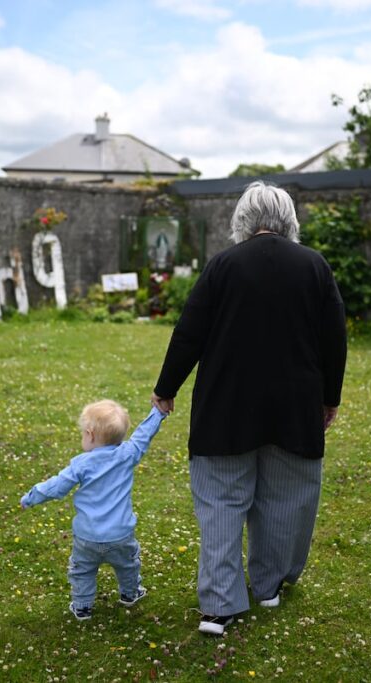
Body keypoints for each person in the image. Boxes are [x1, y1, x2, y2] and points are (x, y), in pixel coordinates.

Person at [152, 181, 347, 636]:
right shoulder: (315, 266)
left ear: (242, 220)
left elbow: (190, 332)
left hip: (225, 407)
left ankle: (219, 608)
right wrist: (330, 398)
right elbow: (333, 339)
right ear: (289, 220)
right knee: (286, 500)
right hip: (294, 407)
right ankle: (269, 586)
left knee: (220, 501)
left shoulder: (222, 265)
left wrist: (167, 387)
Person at [21, 400, 167, 621]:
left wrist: (31, 497)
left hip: (87, 537)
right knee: (128, 565)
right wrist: (158, 412)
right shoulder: (128, 453)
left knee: (82, 571)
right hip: (121, 534)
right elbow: (143, 434)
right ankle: (130, 593)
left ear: (89, 435)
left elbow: (56, 486)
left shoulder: (81, 464)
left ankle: (82, 607)